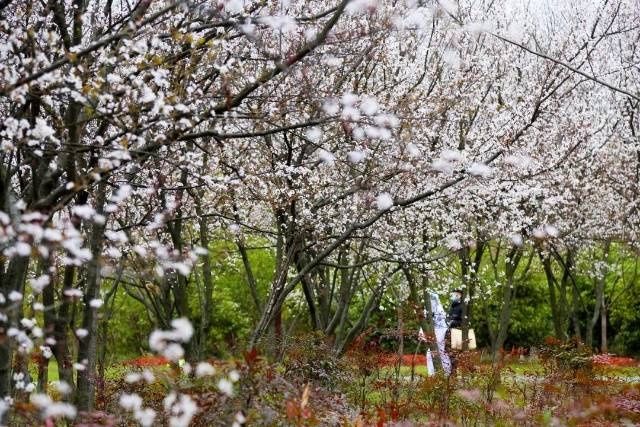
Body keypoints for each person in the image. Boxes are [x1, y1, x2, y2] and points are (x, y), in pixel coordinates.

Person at [445, 289, 464, 374]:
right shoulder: (452, 306)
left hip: (457, 332)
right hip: (449, 331)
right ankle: (450, 372)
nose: (454, 296)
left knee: (455, 353)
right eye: (453, 295)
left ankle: (454, 373)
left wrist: (453, 322)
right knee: (448, 352)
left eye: (456, 295)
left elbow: (462, 321)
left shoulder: (462, 307)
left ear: (460, 296)